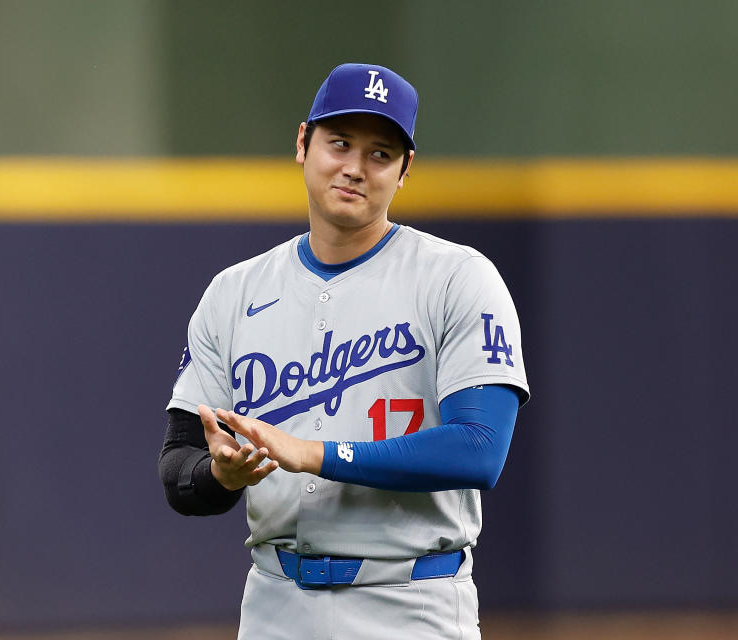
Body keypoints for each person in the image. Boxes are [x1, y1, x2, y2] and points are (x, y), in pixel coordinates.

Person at [159, 62, 529, 640]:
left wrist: (320, 454)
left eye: (381, 153)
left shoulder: (459, 278)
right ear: (303, 143)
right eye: (340, 143)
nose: (355, 167)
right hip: (275, 605)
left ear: (405, 170)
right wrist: (221, 477)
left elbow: (479, 450)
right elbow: (178, 468)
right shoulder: (234, 293)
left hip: (413, 605)